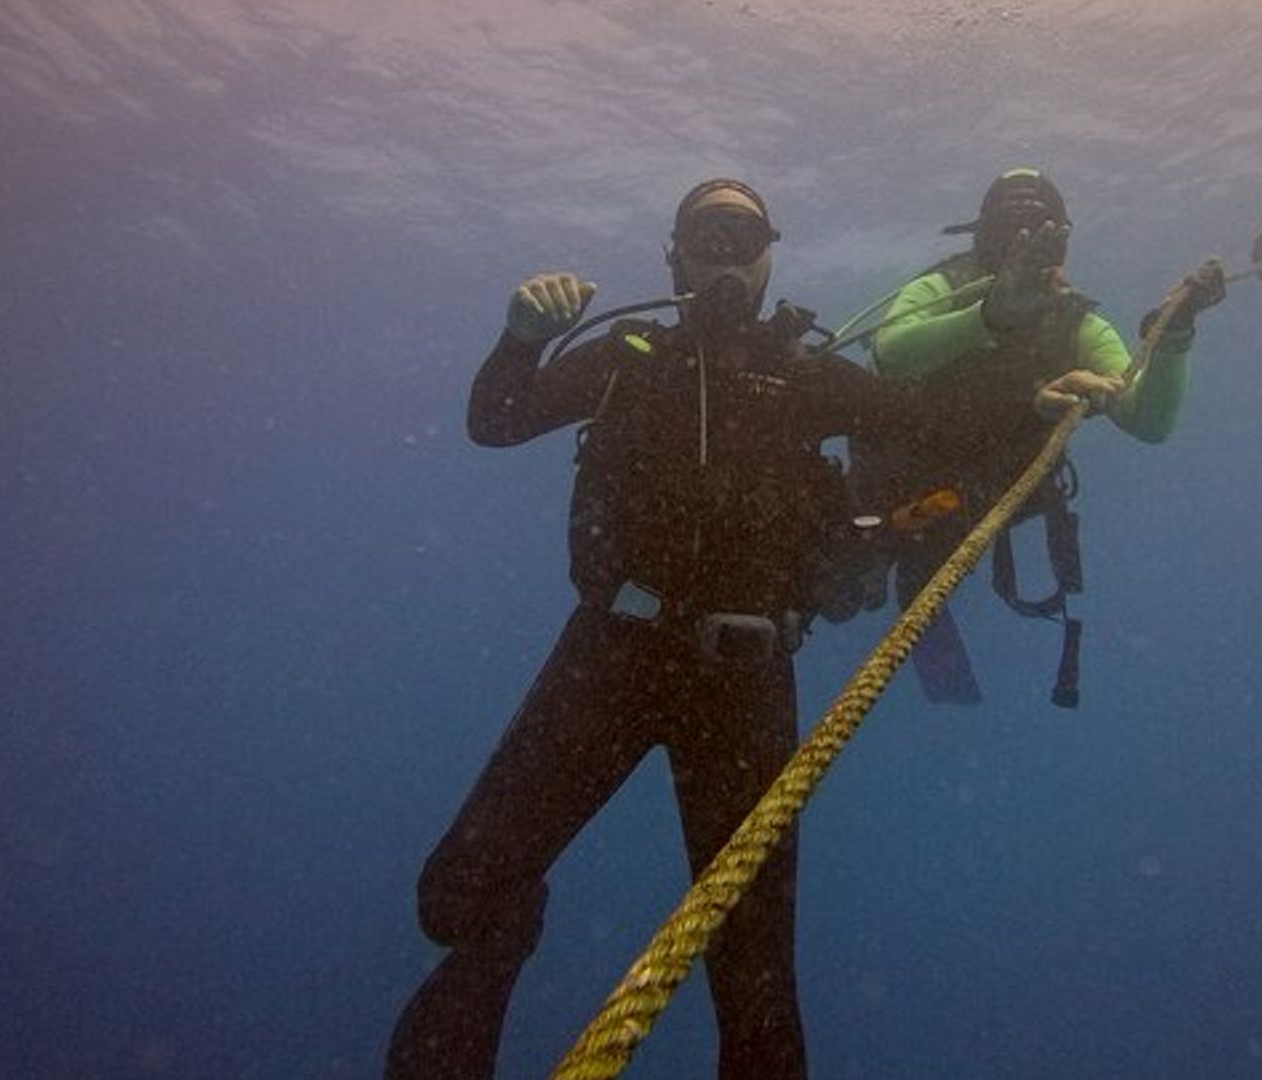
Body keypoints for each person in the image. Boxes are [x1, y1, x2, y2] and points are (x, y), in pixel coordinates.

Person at [388, 178, 1080, 1080]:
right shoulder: (627, 356)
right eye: (705, 235)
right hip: (612, 655)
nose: (723, 252)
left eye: (741, 234)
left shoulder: (802, 371)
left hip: (744, 682)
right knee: (458, 896)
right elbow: (497, 420)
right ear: (674, 255)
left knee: (756, 984)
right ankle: (496, 954)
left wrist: (1039, 398)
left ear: (768, 255)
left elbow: (932, 423)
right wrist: (522, 337)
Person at [850, 167, 1227, 706]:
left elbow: (1146, 419)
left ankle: (913, 587)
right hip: (896, 484)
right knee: (847, 588)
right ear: (982, 237)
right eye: (1009, 227)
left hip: (981, 500)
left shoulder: (1076, 324)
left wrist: (1174, 337)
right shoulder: (943, 288)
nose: (1021, 243)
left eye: (1038, 228)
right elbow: (890, 354)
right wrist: (991, 314)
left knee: (911, 574)